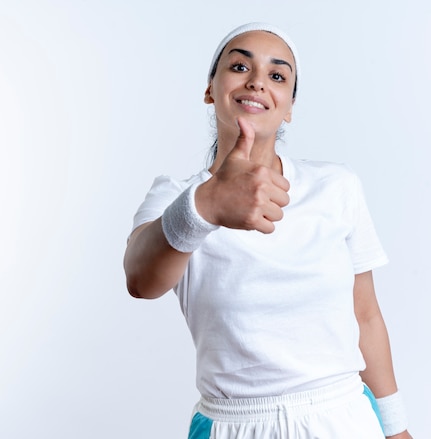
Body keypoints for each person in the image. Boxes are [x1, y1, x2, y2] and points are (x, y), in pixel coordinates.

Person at [124, 22, 412, 439]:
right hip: (232, 424)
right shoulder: (176, 197)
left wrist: (395, 426)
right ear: (211, 90)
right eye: (240, 67)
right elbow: (139, 279)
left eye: (277, 75)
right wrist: (204, 205)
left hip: (342, 418)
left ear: (289, 107)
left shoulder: (336, 186)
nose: (257, 82)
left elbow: (365, 315)